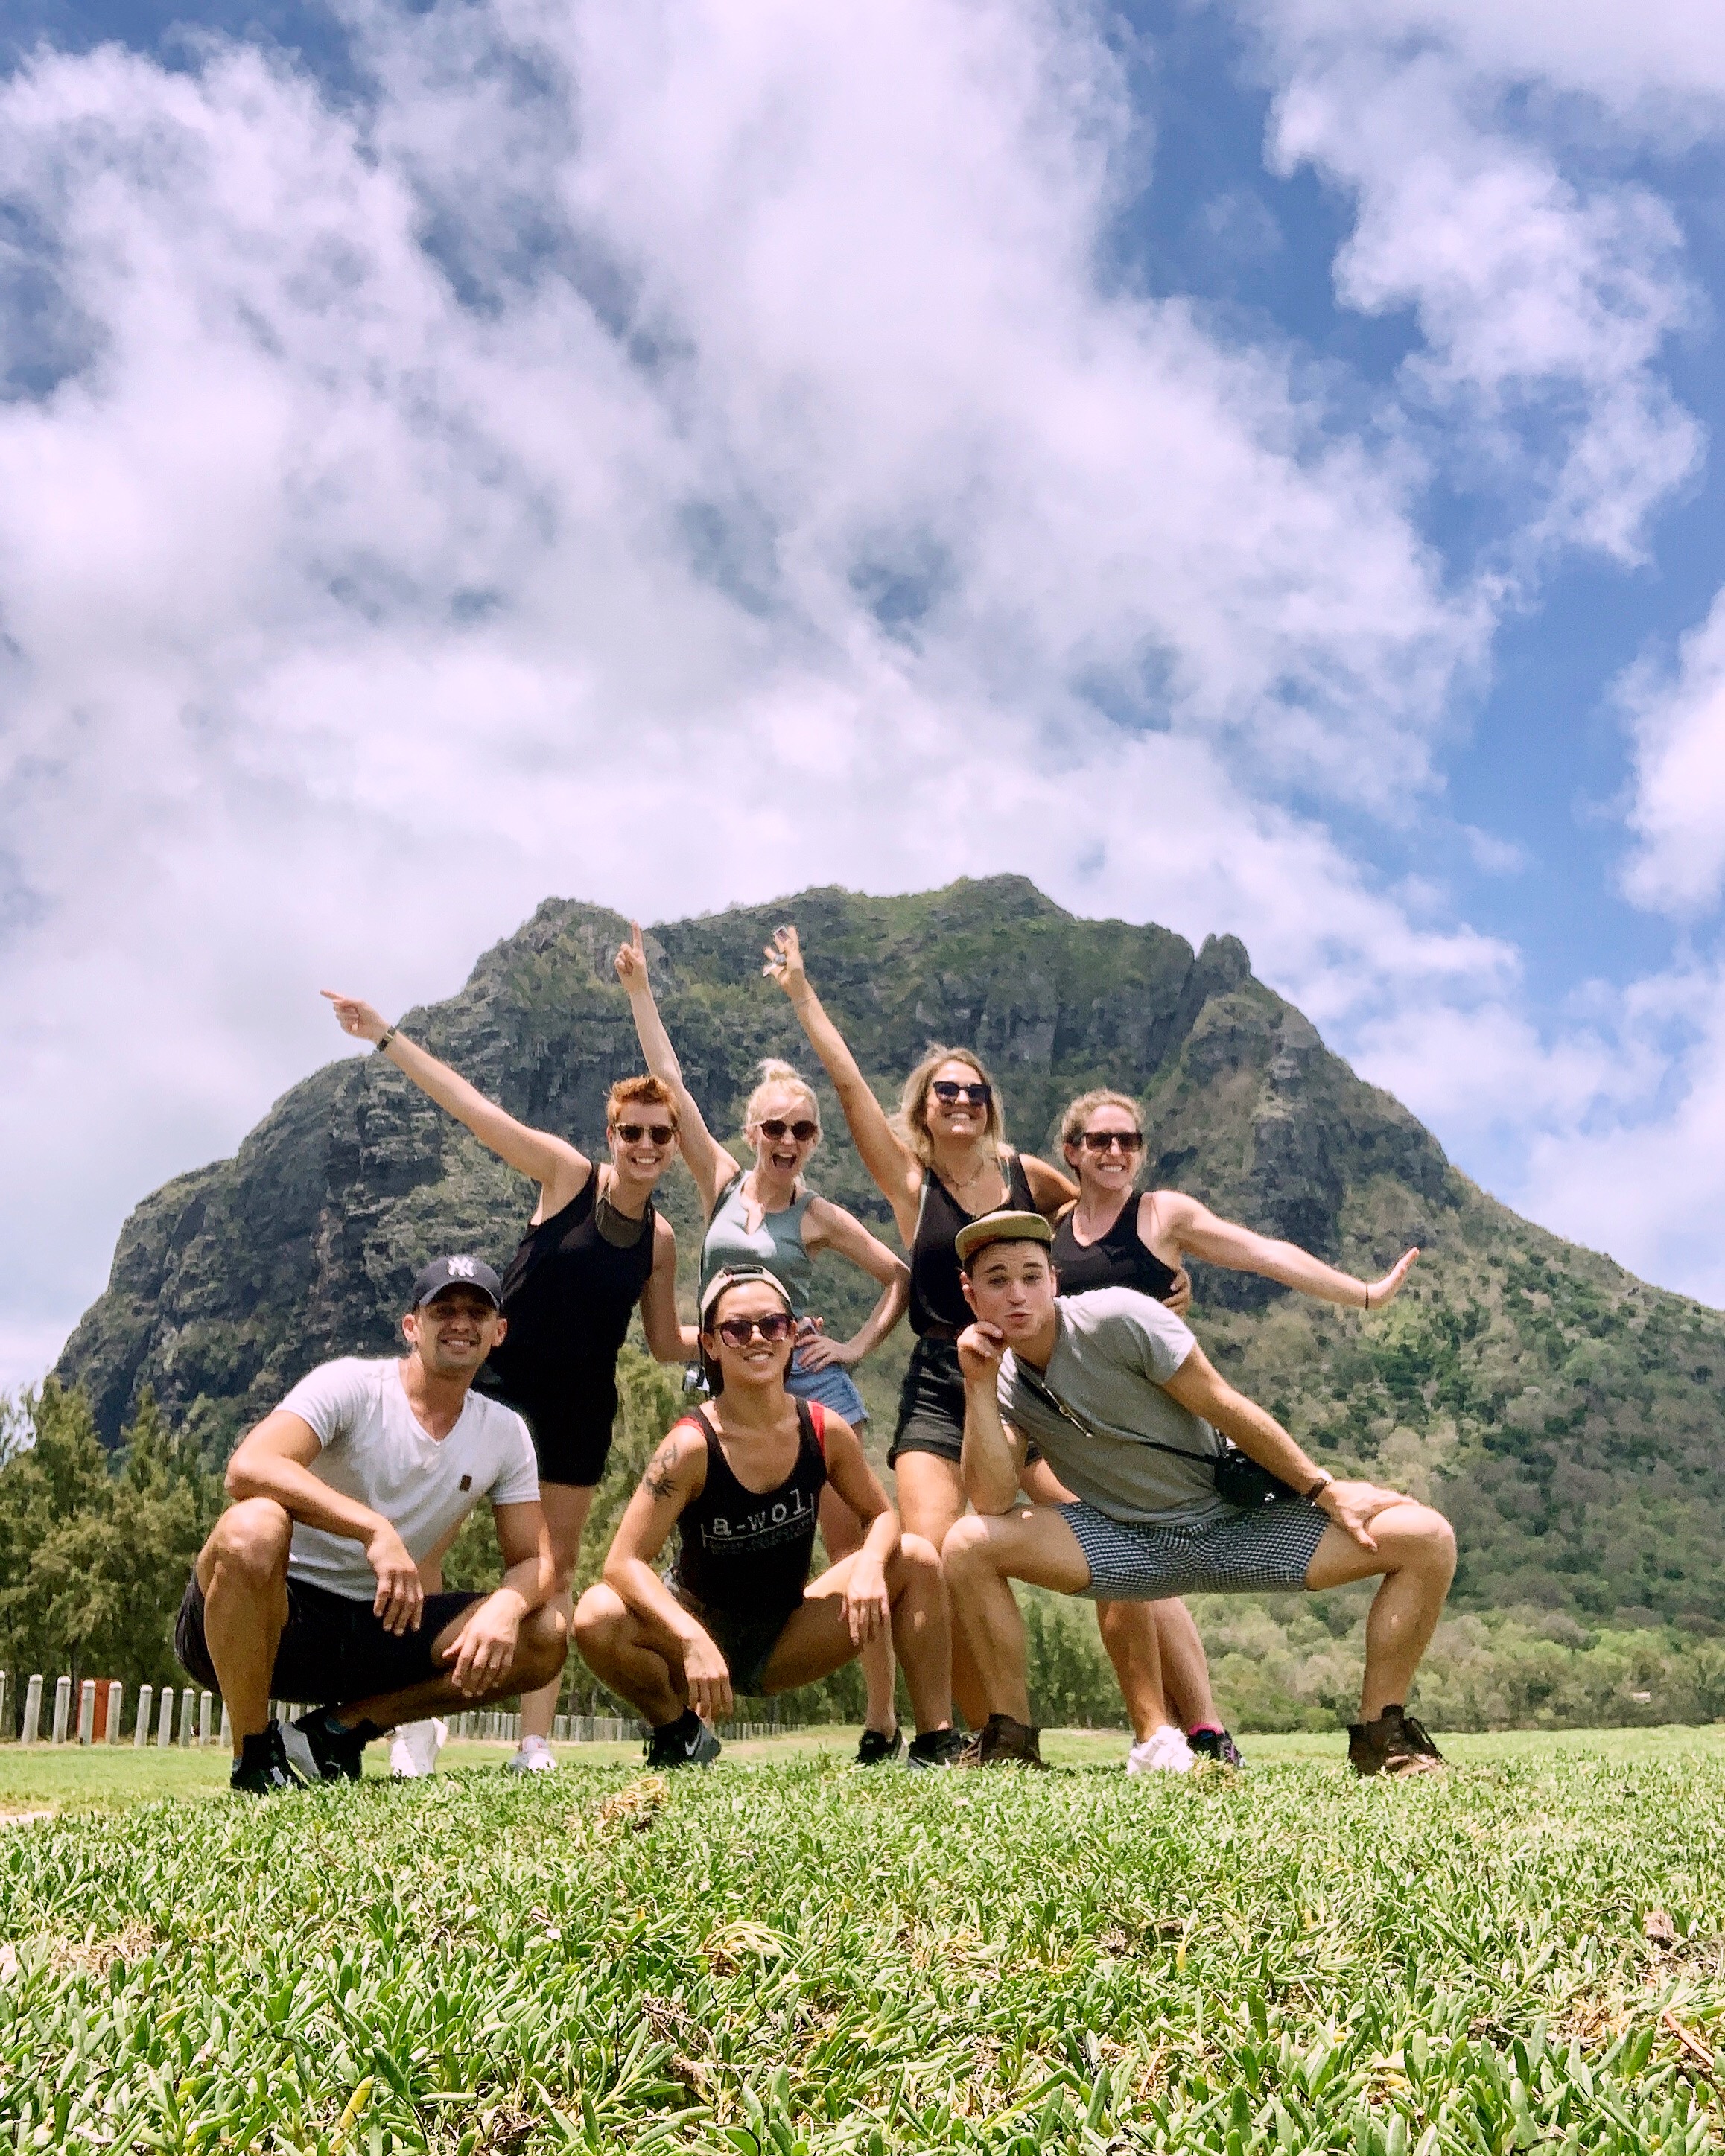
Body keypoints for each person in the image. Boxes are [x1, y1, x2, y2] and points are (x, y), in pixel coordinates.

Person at [763, 923, 1219, 1748]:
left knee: (1129, 1533)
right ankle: (981, 1735)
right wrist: (801, 993)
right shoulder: (910, 1181)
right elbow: (847, 1082)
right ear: (925, 1109)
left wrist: (1160, 1284)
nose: (963, 1102)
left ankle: (1195, 1728)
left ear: (991, 1105)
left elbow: (1088, 1237)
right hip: (943, 1381)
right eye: (947, 1092)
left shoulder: (1029, 1178)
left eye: (975, 1091)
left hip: (1043, 1381)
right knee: (933, 1554)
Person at [321, 990, 690, 1773]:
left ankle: (534, 1743)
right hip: (495, 1394)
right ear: (611, 1136)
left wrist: (748, 1334)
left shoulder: (660, 1241)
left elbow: (664, 1343)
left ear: (674, 1143)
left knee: (549, 1570)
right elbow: (475, 1112)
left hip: (579, 1414)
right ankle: (413, 1717)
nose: (646, 1144)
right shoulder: (566, 1177)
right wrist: (386, 1037)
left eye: (661, 1134)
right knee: (425, 1543)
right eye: (633, 1132)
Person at [944, 1215, 1455, 1775]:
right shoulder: (1001, 1379)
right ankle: (1010, 1743)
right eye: (996, 1280)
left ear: (1054, 1281)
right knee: (969, 1543)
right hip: (1129, 1543)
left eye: (1030, 1276)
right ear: (971, 1293)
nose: (1017, 1293)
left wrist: (1324, 1489)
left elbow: (1223, 1404)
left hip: (1239, 1524)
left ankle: (1384, 1741)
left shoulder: (1119, 1317)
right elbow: (992, 1499)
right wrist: (979, 1385)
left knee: (1427, 1538)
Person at [1050, 1087, 1421, 1773]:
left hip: (1180, 1433)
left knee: (1163, 1571)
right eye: (1099, 1140)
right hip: (1091, 1443)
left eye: (1128, 1140)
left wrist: (1364, 1292)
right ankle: (1158, 1736)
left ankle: (1211, 1729)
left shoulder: (1162, 1214)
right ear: (1071, 1151)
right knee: (1119, 1575)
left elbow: (1264, 1254)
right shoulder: (1049, 1234)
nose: (1115, 1152)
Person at [617, 925, 912, 1761]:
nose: (788, 1142)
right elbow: (669, 1084)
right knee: (705, 1548)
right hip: (727, 1394)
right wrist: (640, 988)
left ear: (813, 1140)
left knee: (857, 1554)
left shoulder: (817, 1215)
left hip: (811, 1393)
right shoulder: (717, 1186)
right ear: (751, 1132)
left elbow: (896, 1274)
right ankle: (698, 1702)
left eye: (803, 1131)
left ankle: (882, 1724)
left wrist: (850, 1350)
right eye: (775, 1128)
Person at [176, 1256, 565, 1793]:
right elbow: (248, 1466)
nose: (460, 1322)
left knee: (544, 1634)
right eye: (443, 1310)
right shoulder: (353, 1385)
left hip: (381, 1625)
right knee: (252, 1526)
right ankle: (255, 1759)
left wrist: (506, 1605)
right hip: (274, 1615)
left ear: (498, 1332)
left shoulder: (504, 1432)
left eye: (477, 1312)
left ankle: (338, 1730)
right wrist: (372, 1529)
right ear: (412, 1326)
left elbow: (535, 1559)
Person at [572, 1268, 962, 1769]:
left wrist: (868, 1564)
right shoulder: (690, 1446)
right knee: (596, 1613)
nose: (757, 1337)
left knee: (915, 1556)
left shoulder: (825, 1429)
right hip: (695, 1630)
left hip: (786, 1636)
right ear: (711, 1344)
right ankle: (679, 1733)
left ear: (793, 1333)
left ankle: (935, 1744)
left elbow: (881, 1516)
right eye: (737, 1329)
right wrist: (690, 1637)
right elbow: (623, 1562)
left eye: (772, 1324)